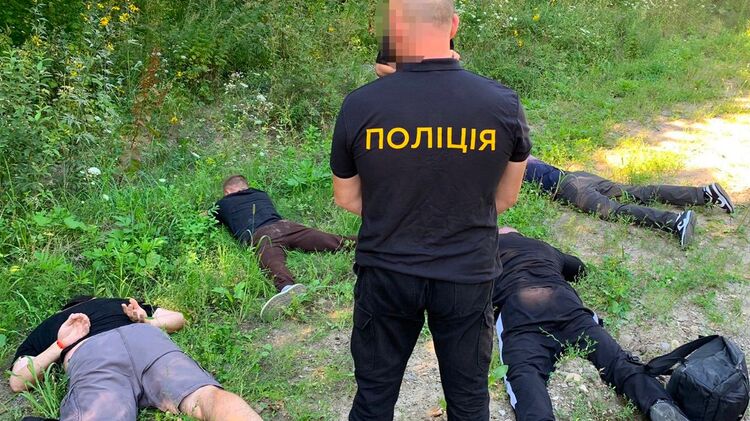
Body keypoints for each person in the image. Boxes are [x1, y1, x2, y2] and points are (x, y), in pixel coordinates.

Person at [330, 0, 531, 418]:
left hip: (387, 272)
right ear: (453, 24)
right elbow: (505, 198)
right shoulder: (502, 103)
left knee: (373, 397)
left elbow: (347, 197)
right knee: (468, 399)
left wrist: (397, 210)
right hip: (466, 274)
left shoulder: (360, 105)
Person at [493, 227, 689, 421]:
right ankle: (658, 402)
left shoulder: (486, 252)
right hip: (568, 307)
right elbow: (580, 269)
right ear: (518, 234)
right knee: (616, 361)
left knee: (525, 374)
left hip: (521, 312)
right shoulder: (542, 247)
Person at [9, 296, 263, 421]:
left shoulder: (52, 323)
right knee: (204, 396)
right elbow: (178, 318)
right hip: (144, 340)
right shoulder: (120, 303)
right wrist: (147, 321)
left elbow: (19, 380)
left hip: (95, 354)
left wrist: (60, 344)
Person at [214, 175, 354, 321]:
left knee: (272, 261)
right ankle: (362, 242)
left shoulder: (223, 203)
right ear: (246, 186)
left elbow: (210, 218)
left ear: (227, 192)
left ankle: (287, 287)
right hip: (285, 226)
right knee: (330, 240)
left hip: (261, 233)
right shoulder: (260, 194)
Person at [524, 155, 735, 248]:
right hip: (578, 176)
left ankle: (675, 221)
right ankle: (704, 194)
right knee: (639, 192)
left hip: (569, 188)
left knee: (614, 210)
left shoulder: (506, 162)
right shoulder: (520, 150)